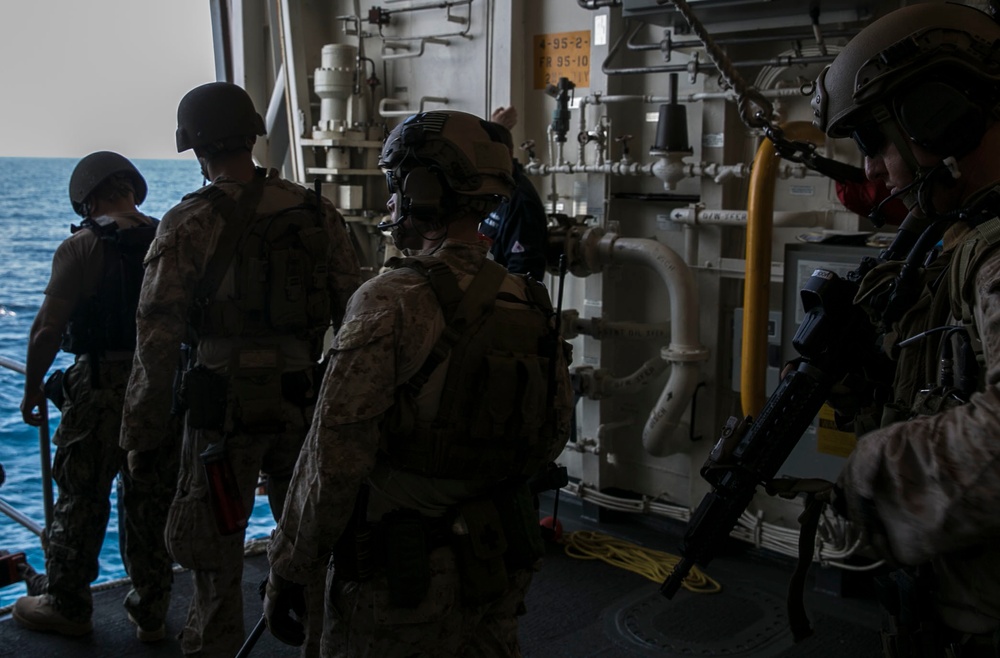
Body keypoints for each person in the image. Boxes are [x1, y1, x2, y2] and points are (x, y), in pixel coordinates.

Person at [263, 109, 575, 657]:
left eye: (395, 186)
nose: (390, 202)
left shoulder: (390, 300)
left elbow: (335, 456)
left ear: (421, 190)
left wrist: (293, 565)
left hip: (401, 577)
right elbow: (551, 436)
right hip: (494, 559)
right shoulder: (529, 299)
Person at [119, 81, 362, 657]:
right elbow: (353, 315)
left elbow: (156, 339)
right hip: (300, 402)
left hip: (219, 412)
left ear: (196, 149)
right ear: (253, 134)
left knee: (214, 546)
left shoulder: (186, 222)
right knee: (311, 537)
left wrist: (141, 433)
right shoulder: (315, 211)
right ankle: (322, 644)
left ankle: (214, 645)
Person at [811, 4, 1000, 656]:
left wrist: (874, 466)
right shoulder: (954, 239)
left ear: (935, 116)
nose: (868, 171)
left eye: (873, 140)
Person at [14, 151, 176, 641]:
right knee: (150, 499)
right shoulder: (167, 239)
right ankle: (151, 610)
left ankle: (67, 604)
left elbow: (47, 331)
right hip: (161, 385)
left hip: (99, 386)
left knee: (81, 497)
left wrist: (30, 391)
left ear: (86, 201)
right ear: (132, 190)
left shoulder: (82, 247)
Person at [479, 106, 549, 280]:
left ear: (508, 154)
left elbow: (524, 274)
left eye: (491, 154)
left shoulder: (520, 202)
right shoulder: (491, 190)